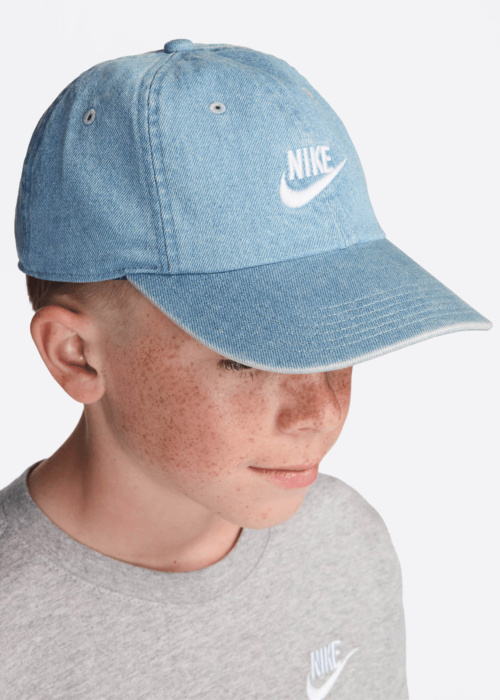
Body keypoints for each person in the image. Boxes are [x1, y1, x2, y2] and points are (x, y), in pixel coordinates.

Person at [0, 38, 492, 699]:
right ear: (76, 355)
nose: (322, 410)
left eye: (340, 339)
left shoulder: (344, 544)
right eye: (249, 354)